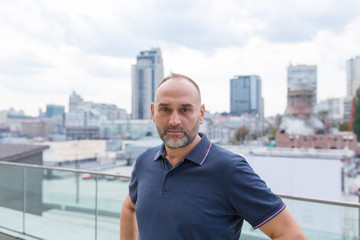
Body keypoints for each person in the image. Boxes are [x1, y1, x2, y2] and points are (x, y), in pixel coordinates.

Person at [121, 73, 306, 240]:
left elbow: (291, 235)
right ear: (153, 112)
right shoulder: (145, 161)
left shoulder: (230, 170)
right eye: (165, 109)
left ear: (201, 114)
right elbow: (130, 207)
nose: (174, 120)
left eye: (185, 110)